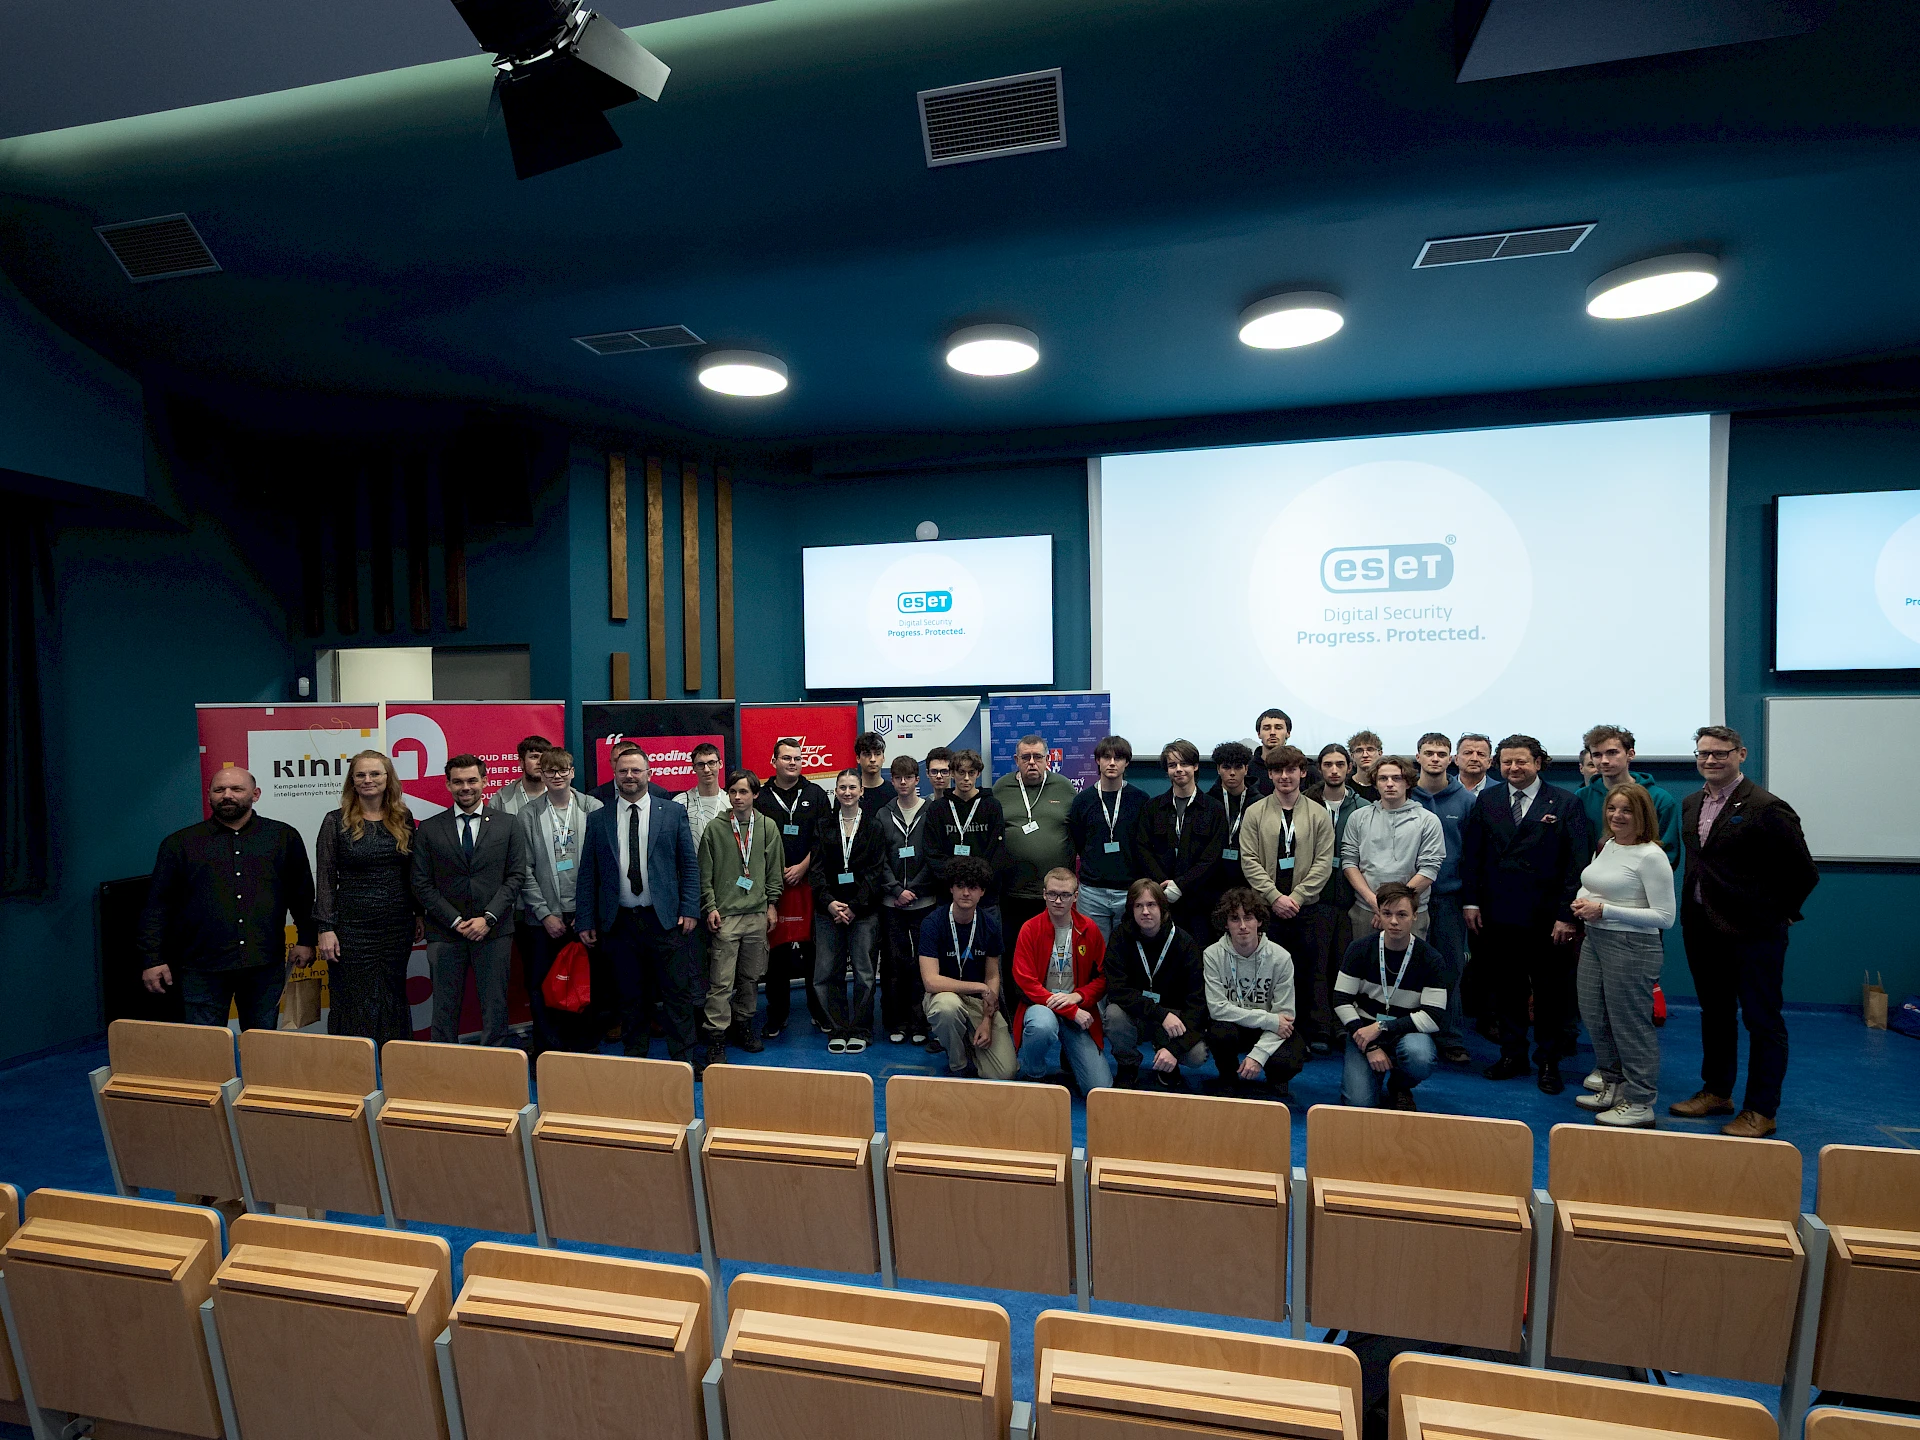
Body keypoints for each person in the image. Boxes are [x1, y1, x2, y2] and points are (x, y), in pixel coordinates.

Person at [1668, 726, 1819, 1138]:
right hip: (1702, 928)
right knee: (1715, 1014)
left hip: (1754, 933)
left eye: (1720, 753)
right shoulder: (1691, 803)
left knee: (1761, 1020)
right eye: (1703, 753)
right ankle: (1717, 1092)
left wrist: (1781, 914)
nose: (1710, 760)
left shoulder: (1767, 807)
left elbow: (1804, 871)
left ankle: (1761, 1110)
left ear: (1741, 754)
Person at [139, 766, 316, 1030]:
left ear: (255, 794)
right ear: (209, 795)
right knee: (205, 1046)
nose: (227, 795)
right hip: (201, 966)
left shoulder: (283, 837)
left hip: (263, 963)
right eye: (219, 790)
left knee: (262, 1043)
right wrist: (152, 959)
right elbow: (157, 906)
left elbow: (301, 894)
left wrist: (307, 940)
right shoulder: (180, 844)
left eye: (237, 789)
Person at [1459, 734, 1589, 1093]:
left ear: (1538, 763)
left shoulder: (1565, 803)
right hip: (1498, 914)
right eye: (1507, 762)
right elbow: (1473, 856)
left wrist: (1567, 915)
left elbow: (1576, 864)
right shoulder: (1488, 800)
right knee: (1506, 989)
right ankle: (1512, 1054)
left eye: (1521, 761)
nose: (1513, 768)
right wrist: (1471, 902)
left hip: (1548, 919)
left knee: (1549, 993)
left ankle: (1548, 1061)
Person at [576, 747, 702, 1063]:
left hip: (665, 921)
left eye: (635, 770)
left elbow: (688, 865)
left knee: (677, 995)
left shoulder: (672, 812)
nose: (629, 776)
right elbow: (588, 873)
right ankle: (636, 1062)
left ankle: (685, 1059)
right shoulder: (598, 818)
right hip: (619, 923)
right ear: (615, 775)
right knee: (630, 998)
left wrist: (689, 908)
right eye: (623, 771)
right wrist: (585, 919)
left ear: (649, 773)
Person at [1570, 783, 1675, 1128]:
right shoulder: (1609, 845)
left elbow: (1665, 917)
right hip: (1595, 940)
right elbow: (1594, 883)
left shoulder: (1651, 856)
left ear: (1642, 815)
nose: (1617, 816)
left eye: (1627, 810)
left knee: (1630, 1025)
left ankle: (1641, 1101)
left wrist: (1605, 910)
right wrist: (1584, 900)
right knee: (1595, 1016)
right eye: (1612, 809)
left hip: (1632, 946)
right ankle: (1613, 1086)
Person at [411, 754, 528, 1046]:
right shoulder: (429, 828)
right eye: (458, 781)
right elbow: (421, 882)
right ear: (448, 785)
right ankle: (444, 1065)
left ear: (485, 782)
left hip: (494, 931)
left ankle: (494, 1063)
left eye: (472, 780)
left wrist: (488, 918)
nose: (466, 787)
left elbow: (515, 876)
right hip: (445, 933)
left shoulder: (508, 824)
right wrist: (455, 921)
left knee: (495, 1008)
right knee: (444, 1009)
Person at [313, 752, 421, 1047]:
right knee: (354, 998)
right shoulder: (335, 821)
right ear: (352, 781)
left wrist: (418, 914)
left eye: (375, 774)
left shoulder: (403, 818)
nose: (367, 780)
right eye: (360, 775)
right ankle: (354, 1065)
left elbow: (411, 872)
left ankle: (393, 1060)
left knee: (392, 993)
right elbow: (325, 876)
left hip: (396, 926)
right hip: (352, 928)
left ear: (388, 779)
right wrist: (325, 927)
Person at [1240, 746, 1338, 1052]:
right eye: (1278, 771)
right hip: (1267, 910)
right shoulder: (1255, 812)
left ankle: (1308, 1033)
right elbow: (1249, 860)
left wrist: (1295, 897)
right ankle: (1269, 1030)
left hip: (1306, 909)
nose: (1285, 776)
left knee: (1309, 972)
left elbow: (1324, 862)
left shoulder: (1318, 813)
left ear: (1302, 773)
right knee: (1269, 974)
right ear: (1269, 774)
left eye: (1291, 770)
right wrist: (1274, 897)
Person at [516, 747, 602, 1056]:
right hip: (543, 919)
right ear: (541, 774)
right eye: (550, 770)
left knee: (587, 982)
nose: (557, 775)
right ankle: (548, 1052)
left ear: (572, 772)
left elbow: (603, 864)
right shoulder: (528, 814)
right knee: (543, 985)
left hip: (584, 915)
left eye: (563, 769)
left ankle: (585, 1047)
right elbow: (523, 869)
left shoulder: (592, 807)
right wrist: (544, 913)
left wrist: (587, 912)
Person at [1333, 882, 1446, 1110]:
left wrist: (1382, 1027)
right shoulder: (1359, 949)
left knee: (1420, 1057)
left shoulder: (1431, 959)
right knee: (1359, 1105)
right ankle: (1373, 1070)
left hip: (1406, 1032)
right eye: (1387, 913)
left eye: (1402, 914)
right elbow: (1340, 1000)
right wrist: (1370, 1046)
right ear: (1379, 915)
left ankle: (1400, 1085)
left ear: (1415, 916)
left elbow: (1433, 1017)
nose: (1394, 921)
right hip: (1363, 1032)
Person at [698, 769, 784, 1063]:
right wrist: (710, 906)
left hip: (757, 914)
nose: (737, 797)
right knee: (721, 981)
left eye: (744, 791)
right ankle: (716, 1035)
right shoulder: (715, 828)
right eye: (733, 791)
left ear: (755, 795)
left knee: (750, 977)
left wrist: (772, 904)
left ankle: (743, 1024)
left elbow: (774, 870)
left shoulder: (767, 827)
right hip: (726, 916)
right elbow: (705, 873)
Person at [755, 736, 833, 1039]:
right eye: (786, 758)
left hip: (809, 884)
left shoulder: (816, 794)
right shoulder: (761, 797)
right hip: (774, 888)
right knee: (777, 956)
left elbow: (825, 838)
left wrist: (803, 867)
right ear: (774, 761)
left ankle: (819, 1010)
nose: (792, 763)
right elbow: (755, 844)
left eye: (797, 758)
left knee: (815, 953)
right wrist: (777, 873)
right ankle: (777, 1015)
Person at [1010, 868, 1112, 1091]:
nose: (1058, 901)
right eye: (1052, 894)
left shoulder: (1089, 929)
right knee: (1041, 1026)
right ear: (1044, 894)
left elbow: (1103, 978)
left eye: (1065, 895)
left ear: (1075, 896)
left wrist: (1079, 996)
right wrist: (1071, 1011)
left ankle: (1070, 1057)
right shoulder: (1030, 929)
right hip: (1041, 1004)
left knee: (1099, 1087)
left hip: (1076, 1003)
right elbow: (1025, 982)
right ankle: (1035, 1072)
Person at [1103, 879, 1210, 1089]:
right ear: (1131, 909)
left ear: (1162, 908)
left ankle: (1168, 1061)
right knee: (1113, 1015)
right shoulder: (1120, 937)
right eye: (1139, 905)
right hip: (1139, 1013)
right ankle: (1128, 1064)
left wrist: (1175, 1049)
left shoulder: (1185, 943)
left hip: (1174, 1018)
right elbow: (1116, 990)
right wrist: (1160, 1014)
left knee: (1197, 1055)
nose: (1145, 912)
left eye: (1151, 904)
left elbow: (1197, 1003)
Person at [810, 768, 887, 1052]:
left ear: (861, 791)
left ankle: (861, 1029)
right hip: (828, 911)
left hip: (863, 912)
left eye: (852, 787)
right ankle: (838, 1028)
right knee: (827, 973)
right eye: (842, 787)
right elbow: (816, 870)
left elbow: (875, 872)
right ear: (836, 791)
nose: (847, 792)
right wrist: (829, 903)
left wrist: (854, 906)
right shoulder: (823, 825)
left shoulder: (873, 826)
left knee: (865, 974)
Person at [917, 857, 1016, 1078]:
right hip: (943, 995)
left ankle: (968, 1041)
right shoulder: (933, 923)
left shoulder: (989, 925)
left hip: (979, 1002)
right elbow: (931, 981)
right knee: (947, 1008)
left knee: (1005, 1073)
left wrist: (987, 1020)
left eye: (972, 887)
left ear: (982, 892)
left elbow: (992, 976)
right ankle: (958, 1063)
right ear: (951, 888)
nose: (965, 893)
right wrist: (979, 987)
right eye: (960, 886)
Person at [1203, 887, 1305, 1098]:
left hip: (1268, 1029)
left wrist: (1258, 1055)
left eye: (1248, 918)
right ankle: (1228, 1077)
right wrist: (1269, 1019)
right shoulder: (1212, 955)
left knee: (1291, 1056)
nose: (1242, 926)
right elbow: (1217, 1009)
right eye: (1235, 919)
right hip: (1235, 1025)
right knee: (1219, 1033)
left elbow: (1285, 1016)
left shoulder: (1281, 957)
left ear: (1259, 921)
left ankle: (1276, 1078)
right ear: (1225, 923)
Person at [1410, 733, 1474, 1065]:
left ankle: (1450, 1037)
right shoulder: (1406, 795)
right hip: (1409, 898)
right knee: (1408, 967)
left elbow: (1474, 854)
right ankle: (1408, 1032)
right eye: (1429, 753)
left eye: (1441, 753)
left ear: (1451, 759)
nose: (1435, 758)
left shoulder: (1466, 800)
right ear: (1417, 757)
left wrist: (1471, 899)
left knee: (1450, 968)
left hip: (1449, 897)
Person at [1341, 755, 1444, 940]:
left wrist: (1391, 908)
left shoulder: (1428, 821)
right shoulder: (1358, 817)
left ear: (1408, 783)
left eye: (1397, 778)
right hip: (1366, 910)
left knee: (1410, 960)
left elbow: (1429, 870)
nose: (1389, 784)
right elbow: (1349, 863)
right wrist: (1376, 905)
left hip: (1410, 913)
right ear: (1375, 783)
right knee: (1365, 959)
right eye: (1383, 778)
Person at [1137, 739, 1227, 938]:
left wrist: (1180, 885)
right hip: (1161, 900)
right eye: (1172, 765)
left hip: (1200, 902)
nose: (1178, 769)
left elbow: (1212, 857)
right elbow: (1143, 849)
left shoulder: (1214, 809)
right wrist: (1162, 886)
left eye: (1184, 763)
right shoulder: (1153, 808)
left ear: (1195, 766)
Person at [993, 734, 1076, 943]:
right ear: (1016, 760)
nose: (1032, 762)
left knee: (1054, 950)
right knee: (1014, 949)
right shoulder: (1001, 788)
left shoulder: (1064, 787)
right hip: (1012, 893)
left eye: (1038, 757)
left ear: (1047, 759)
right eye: (1026, 757)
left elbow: (1078, 832)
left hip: (1056, 895)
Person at [877, 755, 936, 1045]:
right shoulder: (883, 813)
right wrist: (895, 890)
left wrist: (913, 888)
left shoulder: (930, 811)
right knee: (893, 965)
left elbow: (934, 855)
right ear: (892, 781)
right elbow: (879, 858)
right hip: (892, 904)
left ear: (917, 779)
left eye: (908, 777)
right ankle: (896, 1022)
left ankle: (920, 1022)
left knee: (921, 965)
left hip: (924, 901)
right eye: (898, 777)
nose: (903, 782)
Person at [1068, 735, 1146, 940]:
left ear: (1126, 762)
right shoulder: (1082, 801)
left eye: (1118, 758)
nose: (1112, 763)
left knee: (1128, 950)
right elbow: (1078, 841)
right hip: (1092, 892)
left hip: (1129, 890)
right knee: (1093, 951)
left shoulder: (1140, 800)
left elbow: (1145, 844)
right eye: (1106, 757)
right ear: (1097, 760)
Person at [924, 749, 1010, 921]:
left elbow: (997, 851)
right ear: (952, 773)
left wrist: (976, 883)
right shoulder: (937, 808)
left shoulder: (992, 806)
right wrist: (957, 883)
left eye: (971, 773)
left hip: (985, 897)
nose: (966, 778)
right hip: (948, 896)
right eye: (961, 772)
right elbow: (932, 852)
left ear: (978, 773)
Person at [1578, 725, 1681, 867]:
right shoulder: (1581, 798)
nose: (1604, 761)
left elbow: (1668, 853)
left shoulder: (1660, 799)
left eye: (1612, 753)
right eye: (1597, 755)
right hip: (1592, 877)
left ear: (1630, 754)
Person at [1209, 742, 1258, 913]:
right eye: (1226, 767)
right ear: (1218, 769)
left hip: (1249, 880)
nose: (1232, 773)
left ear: (1246, 769)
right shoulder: (1207, 802)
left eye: (1238, 767)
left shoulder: (1259, 803)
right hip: (1213, 880)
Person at [592, 741, 671, 806]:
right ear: (611, 763)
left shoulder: (660, 794)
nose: (629, 775)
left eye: (631, 761)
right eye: (617, 760)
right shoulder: (595, 797)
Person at [676, 742, 729, 839]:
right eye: (700, 764)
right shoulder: (680, 802)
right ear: (694, 768)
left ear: (720, 764)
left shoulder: (731, 801)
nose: (706, 770)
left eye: (711, 763)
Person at [493, 734, 553, 817]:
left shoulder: (565, 796)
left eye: (544, 757)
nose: (540, 762)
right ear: (521, 762)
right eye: (534, 757)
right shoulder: (500, 800)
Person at [1250, 708, 1293, 796]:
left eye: (1278, 728)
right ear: (1259, 734)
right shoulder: (1247, 769)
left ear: (1288, 733)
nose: (1272, 732)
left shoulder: (1303, 768)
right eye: (1267, 728)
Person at [854, 731, 893, 818]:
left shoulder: (894, 792)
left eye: (877, 754)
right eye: (867, 754)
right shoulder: (849, 793)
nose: (872, 759)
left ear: (883, 758)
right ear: (858, 758)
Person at [1346, 731, 1383, 802]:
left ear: (1380, 753)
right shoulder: (1345, 787)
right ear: (1352, 756)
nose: (1365, 755)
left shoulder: (1387, 786)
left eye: (1370, 749)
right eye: (1359, 750)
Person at [1455, 733, 1495, 798]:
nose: (1474, 759)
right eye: (1468, 753)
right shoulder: (1443, 788)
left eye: (1481, 754)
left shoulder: (1502, 792)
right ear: (1456, 759)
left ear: (1489, 762)